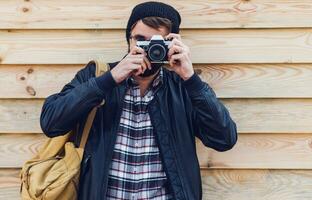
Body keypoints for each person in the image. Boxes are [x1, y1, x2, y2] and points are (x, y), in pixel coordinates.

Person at [40, 2, 237, 200]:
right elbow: (51, 122)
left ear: (171, 45)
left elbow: (224, 139)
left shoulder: (182, 88)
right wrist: (110, 79)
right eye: (140, 40)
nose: (149, 50)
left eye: (156, 43)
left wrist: (191, 80)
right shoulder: (98, 76)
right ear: (129, 40)